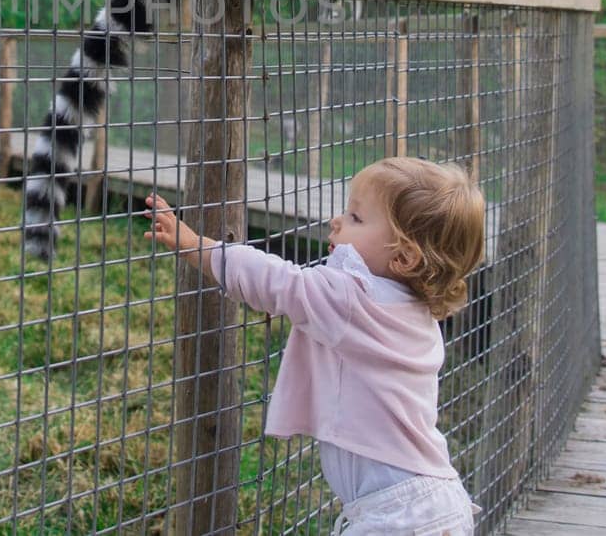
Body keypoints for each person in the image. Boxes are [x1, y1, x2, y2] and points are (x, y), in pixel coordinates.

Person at [145, 157, 485, 535]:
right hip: (436, 501)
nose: (336, 221)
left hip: (398, 516)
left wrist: (197, 247)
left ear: (404, 257)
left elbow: (278, 282)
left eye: (356, 218)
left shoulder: (352, 299)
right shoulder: (416, 312)